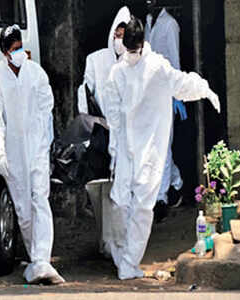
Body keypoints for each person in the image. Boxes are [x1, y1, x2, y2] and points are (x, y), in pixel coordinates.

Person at [104, 17, 220, 280]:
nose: (132, 55)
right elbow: (112, 112)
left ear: (140, 44)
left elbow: (182, 84)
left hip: (145, 147)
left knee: (140, 206)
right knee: (124, 203)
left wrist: (204, 89)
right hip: (130, 146)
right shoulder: (123, 71)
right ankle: (124, 256)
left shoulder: (151, 67)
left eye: (134, 50)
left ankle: (128, 260)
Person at [0, 25, 65, 284]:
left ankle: (43, 258)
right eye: (13, 49)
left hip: (37, 148)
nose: (18, 52)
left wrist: (46, 142)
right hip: (14, 154)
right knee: (23, 210)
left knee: (40, 199)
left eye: (20, 47)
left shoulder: (36, 74)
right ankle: (36, 260)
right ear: (5, 53)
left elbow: (47, 109)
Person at [77, 6, 131, 259]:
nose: (119, 39)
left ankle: (120, 243)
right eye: (117, 33)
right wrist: (95, 124)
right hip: (101, 133)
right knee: (99, 190)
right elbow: (85, 94)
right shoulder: (96, 60)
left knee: (121, 190)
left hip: (126, 136)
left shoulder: (136, 62)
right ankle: (105, 240)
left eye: (124, 34)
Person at [145, 0, 186, 222]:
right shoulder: (149, 22)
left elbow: (175, 60)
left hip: (167, 93)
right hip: (150, 95)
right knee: (155, 144)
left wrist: (177, 95)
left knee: (163, 145)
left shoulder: (170, 25)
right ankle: (176, 183)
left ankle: (160, 199)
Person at [78, 6, 131, 115]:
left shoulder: (133, 61)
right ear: (113, 34)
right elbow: (85, 90)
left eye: (124, 37)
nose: (120, 40)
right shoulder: (96, 59)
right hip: (101, 124)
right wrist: (85, 118)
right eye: (118, 35)